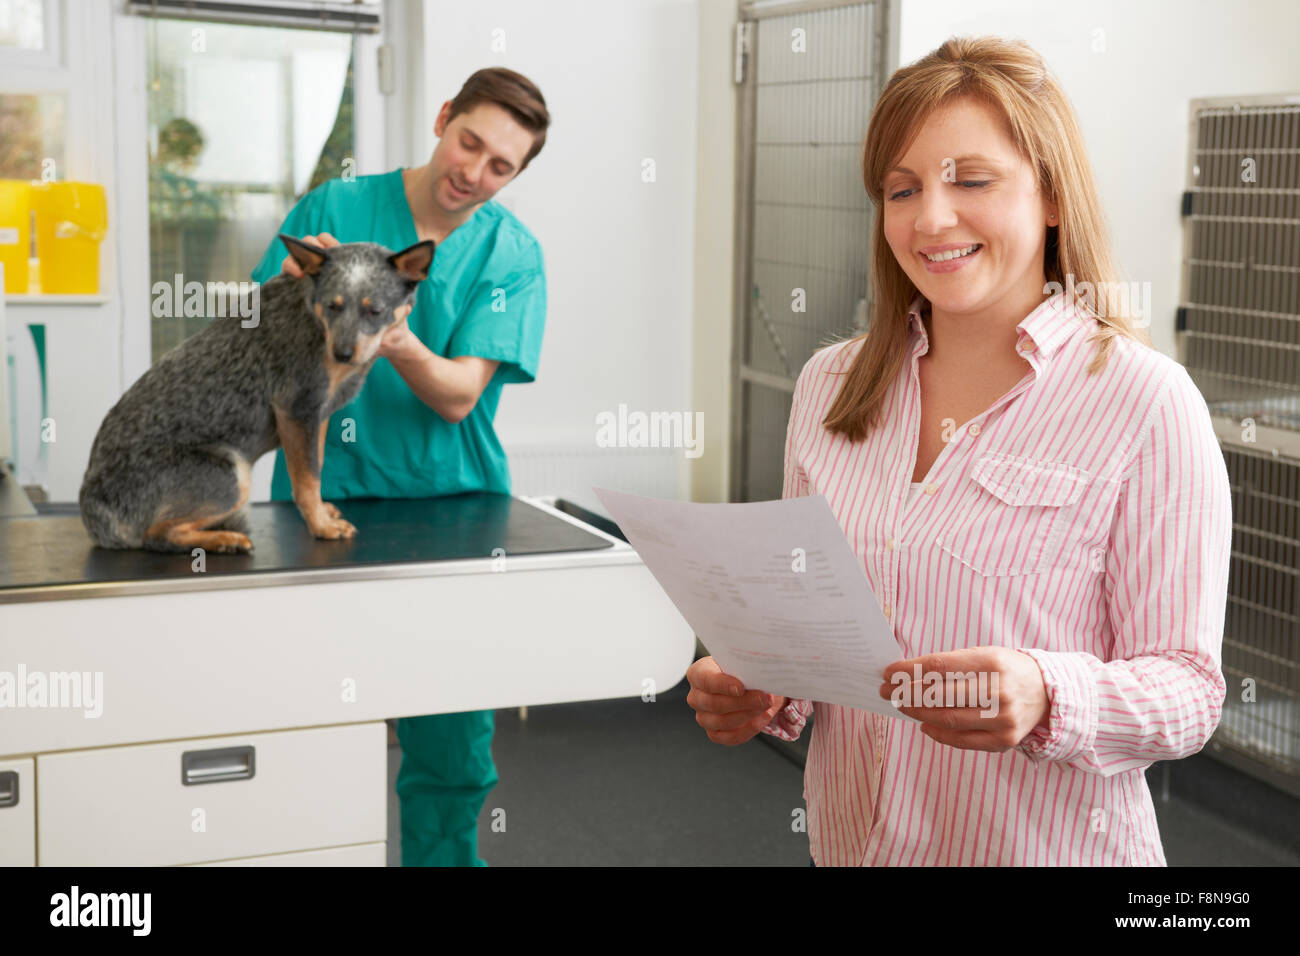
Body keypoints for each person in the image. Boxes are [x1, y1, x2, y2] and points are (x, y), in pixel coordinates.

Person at [686, 36, 1232, 866]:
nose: (930, 218)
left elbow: (1190, 693)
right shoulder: (831, 387)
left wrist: (1048, 693)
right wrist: (762, 688)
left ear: (1050, 195)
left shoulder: (1146, 403)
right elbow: (814, 636)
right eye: (901, 189)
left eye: (971, 180)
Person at [251, 67, 550, 867]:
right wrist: (295, 295)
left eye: (501, 167)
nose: (474, 172)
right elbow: (261, 335)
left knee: (451, 746)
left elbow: (458, 397)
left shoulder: (510, 254)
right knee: (309, 724)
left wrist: (391, 326)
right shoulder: (334, 211)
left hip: (450, 509)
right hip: (323, 500)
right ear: (443, 117)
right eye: (469, 142)